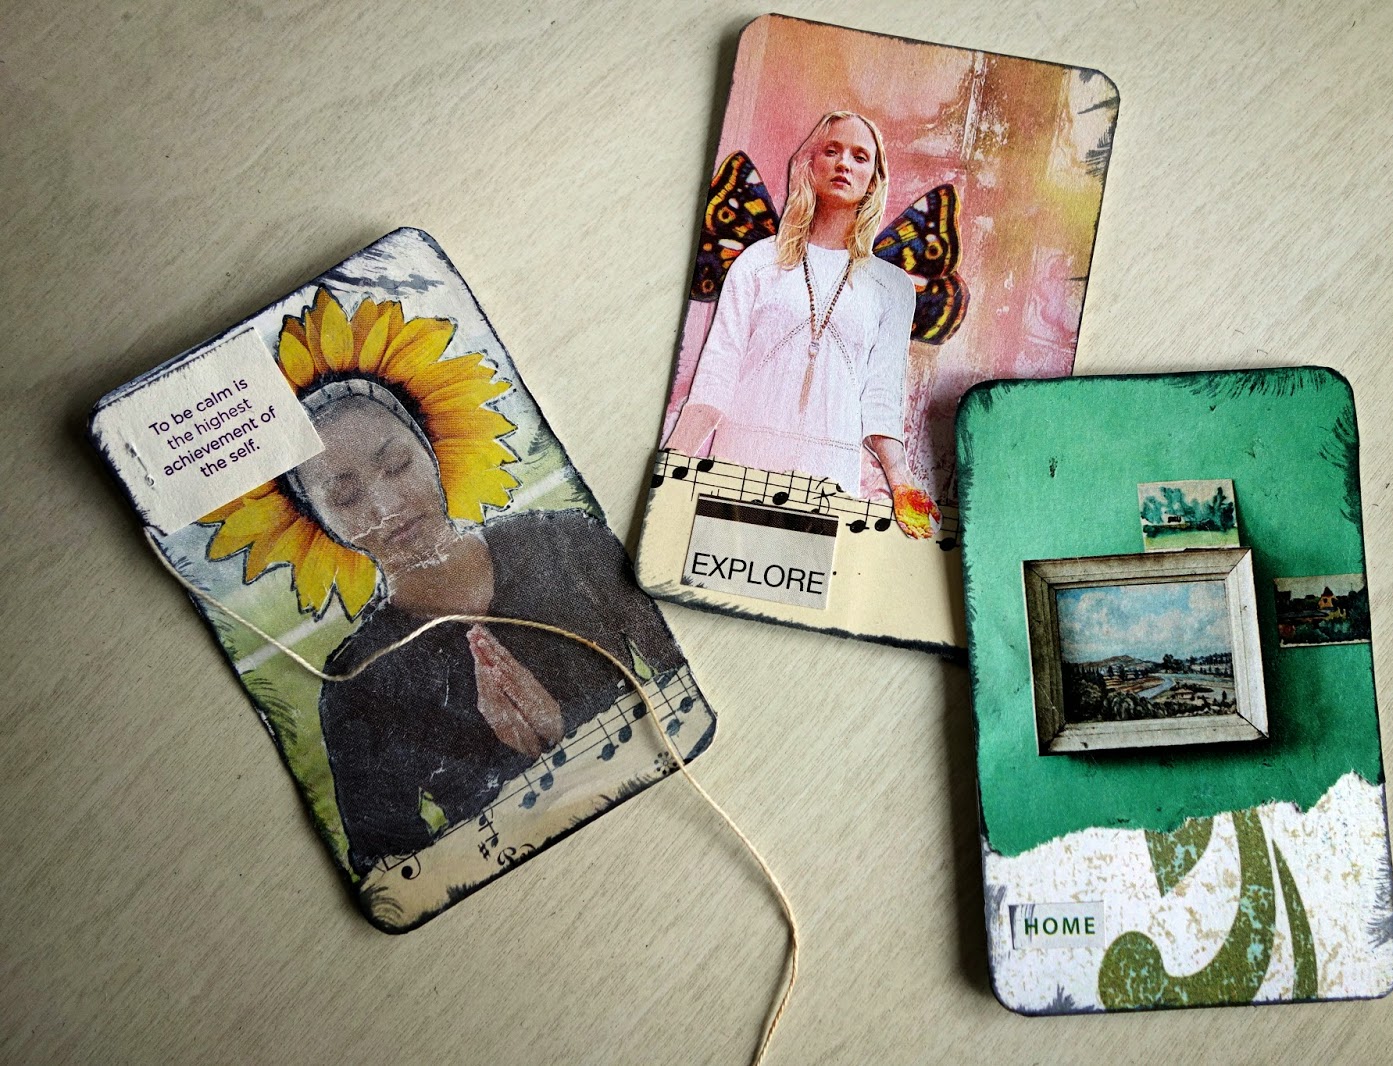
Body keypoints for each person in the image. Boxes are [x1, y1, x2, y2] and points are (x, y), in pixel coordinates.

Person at [286, 378, 686, 877]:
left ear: (430, 449)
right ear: (322, 521)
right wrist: (512, 781)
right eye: (346, 498)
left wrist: (575, 731)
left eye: (397, 464)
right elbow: (390, 873)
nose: (388, 506)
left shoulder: (568, 542)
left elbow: (681, 670)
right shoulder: (356, 684)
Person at [666, 110, 941, 539]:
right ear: (809, 163)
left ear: (874, 180)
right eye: (831, 151)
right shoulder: (758, 262)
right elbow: (717, 373)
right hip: (742, 456)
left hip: (829, 474)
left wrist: (902, 481)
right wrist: (670, 467)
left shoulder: (892, 287)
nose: (844, 163)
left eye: (859, 156)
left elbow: (881, 399)